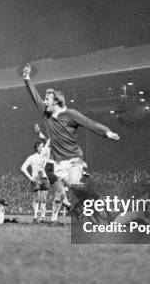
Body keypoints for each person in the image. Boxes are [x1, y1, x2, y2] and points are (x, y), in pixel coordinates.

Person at [21, 63, 120, 225]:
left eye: (47, 100)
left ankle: (106, 212)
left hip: (73, 158)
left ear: (57, 103)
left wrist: (106, 132)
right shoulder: (46, 114)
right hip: (59, 163)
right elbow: (35, 97)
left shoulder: (71, 114)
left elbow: (89, 123)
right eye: (45, 100)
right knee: (77, 190)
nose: (44, 102)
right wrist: (27, 78)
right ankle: (102, 215)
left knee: (79, 188)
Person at [20, 139, 50, 223]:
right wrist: (30, 177)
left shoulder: (45, 156)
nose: (41, 148)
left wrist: (50, 137)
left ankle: (43, 217)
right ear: (36, 148)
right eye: (39, 147)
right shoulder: (32, 157)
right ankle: (35, 216)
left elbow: (48, 144)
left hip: (45, 179)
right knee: (37, 199)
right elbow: (23, 168)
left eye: (42, 147)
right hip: (36, 179)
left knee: (44, 199)